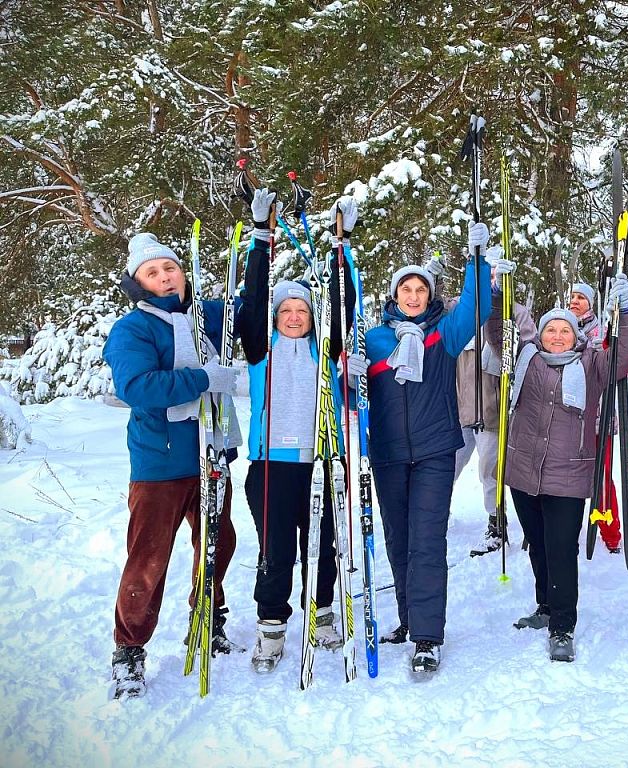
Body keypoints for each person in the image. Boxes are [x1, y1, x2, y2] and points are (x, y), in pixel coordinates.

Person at [345, 222, 502, 673]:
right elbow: (347, 398)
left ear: (429, 295)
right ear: (394, 296)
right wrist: (348, 374)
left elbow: (476, 307)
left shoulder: (443, 335)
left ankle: (428, 637)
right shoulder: (373, 339)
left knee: (427, 541)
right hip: (389, 455)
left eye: (420, 289)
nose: (413, 296)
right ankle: (409, 620)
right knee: (398, 539)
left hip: (435, 451)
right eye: (405, 289)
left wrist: (477, 260)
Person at [103, 231, 245, 699]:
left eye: (170, 269)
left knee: (217, 545)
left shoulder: (205, 317)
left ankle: (207, 618)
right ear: (138, 282)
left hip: (210, 455)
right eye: (153, 273)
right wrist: (201, 378)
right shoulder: (134, 330)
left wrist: (261, 236)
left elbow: (254, 306)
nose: (165, 278)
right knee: (149, 560)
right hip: (160, 465)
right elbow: (137, 387)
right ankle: (129, 648)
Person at [235, 189, 357, 673]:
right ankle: (271, 626)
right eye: (285, 311)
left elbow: (340, 303)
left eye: (300, 311)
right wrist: (261, 236)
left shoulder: (323, 350)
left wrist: (340, 243)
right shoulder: (260, 351)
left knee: (323, 545)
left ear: (311, 319)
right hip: (270, 469)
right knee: (277, 551)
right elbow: (252, 298)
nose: (292, 316)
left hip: (322, 462)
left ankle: (321, 612)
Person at [489, 275, 628, 662]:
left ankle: (563, 626)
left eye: (565, 331)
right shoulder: (525, 357)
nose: (557, 336)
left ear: (576, 335)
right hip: (524, 471)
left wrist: (627, 310)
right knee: (537, 544)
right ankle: (545, 606)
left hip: (568, 473)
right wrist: (495, 293)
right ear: (540, 334)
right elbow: (495, 333)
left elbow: (627, 355)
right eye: (551, 330)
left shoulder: (592, 362)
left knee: (560, 549)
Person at [438, 251, 537, 557]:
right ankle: (435, 517)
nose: (491, 278)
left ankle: (497, 525)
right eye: (487, 272)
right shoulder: (459, 307)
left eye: (497, 274)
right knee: (445, 467)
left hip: (492, 409)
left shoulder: (515, 311)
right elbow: (431, 310)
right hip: (457, 406)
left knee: (489, 470)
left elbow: (527, 352)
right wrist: (434, 277)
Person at [567, 282, 621, 554]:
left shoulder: (600, 332)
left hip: (598, 417)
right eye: (572, 297)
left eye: (580, 298)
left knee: (601, 476)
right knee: (565, 475)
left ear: (590, 303)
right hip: (567, 419)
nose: (575, 301)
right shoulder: (560, 327)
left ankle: (611, 533)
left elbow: (612, 363)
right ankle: (565, 529)